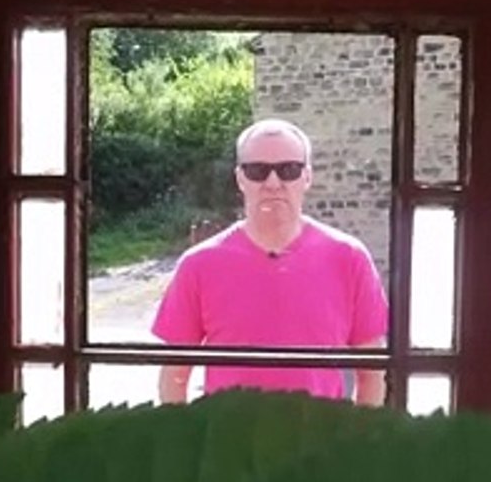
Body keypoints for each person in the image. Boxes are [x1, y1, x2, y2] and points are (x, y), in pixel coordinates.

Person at [151, 118, 389, 405]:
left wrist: (359, 443)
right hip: (231, 445)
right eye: (257, 171)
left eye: (289, 170)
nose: (273, 183)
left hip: (322, 444)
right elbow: (175, 374)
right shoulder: (199, 265)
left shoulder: (349, 259)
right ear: (240, 178)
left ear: (307, 177)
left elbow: (372, 374)